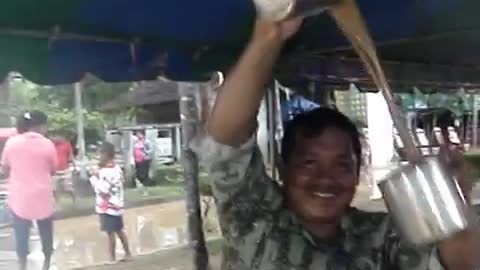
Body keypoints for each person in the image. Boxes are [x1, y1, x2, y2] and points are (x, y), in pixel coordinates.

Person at [191, 17, 480, 270]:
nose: (325, 179)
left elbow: (460, 263)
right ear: (283, 167)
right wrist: (269, 34)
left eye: (342, 164)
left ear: (358, 172)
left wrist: (454, 203)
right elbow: (226, 139)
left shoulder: (377, 236)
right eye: (309, 162)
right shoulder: (255, 219)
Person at [1, 111, 57, 270]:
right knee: (46, 231)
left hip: (20, 198)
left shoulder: (11, 143)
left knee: (21, 234)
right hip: (42, 196)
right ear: (40, 126)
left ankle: (22, 266)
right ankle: (46, 264)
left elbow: (5, 169)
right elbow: (53, 169)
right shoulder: (47, 144)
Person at [89, 142, 132, 263]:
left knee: (110, 232)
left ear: (106, 154)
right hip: (116, 204)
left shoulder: (105, 172)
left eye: (100, 154)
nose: (98, 157)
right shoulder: (116, 168)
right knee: (119, 230)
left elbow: (102, 189)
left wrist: (93, 177)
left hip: (107, 206)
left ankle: (112, 258)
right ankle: (128, 253)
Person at [51, 135, 76, 205]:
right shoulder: (51, 145)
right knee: (54, 189)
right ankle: (57, 203)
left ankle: (74, 201)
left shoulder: (67, 144)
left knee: (69, 188)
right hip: (54, 171)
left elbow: (71, 156)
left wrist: (74, 166)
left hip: (65, 170)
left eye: (55, 136)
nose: (53, 138)